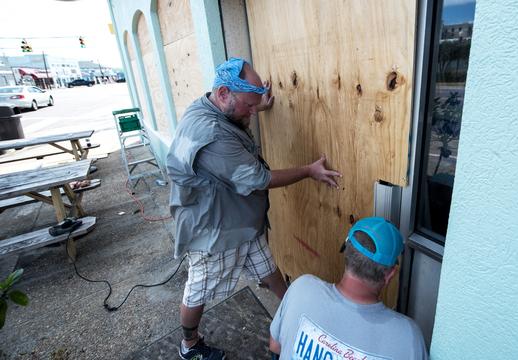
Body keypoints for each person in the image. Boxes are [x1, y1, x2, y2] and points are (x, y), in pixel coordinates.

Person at [166, 57, 342, 360]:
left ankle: (293, 318)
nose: (253, 110)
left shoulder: (208, 105)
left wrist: (255, 102)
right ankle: (189, 345)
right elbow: (260, 179)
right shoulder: (212, 138)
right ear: (224, 94)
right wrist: (309, 171)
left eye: (254, 103)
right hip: (215, 230)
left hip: (242, 221)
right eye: (249, 105)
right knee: (198, 289)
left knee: (269, 270)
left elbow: (237, 113)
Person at [269, 217, 428, 359]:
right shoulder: (407, 338)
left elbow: (275, 346)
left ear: (346, 252)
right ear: (390, 274)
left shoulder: (301, 288)